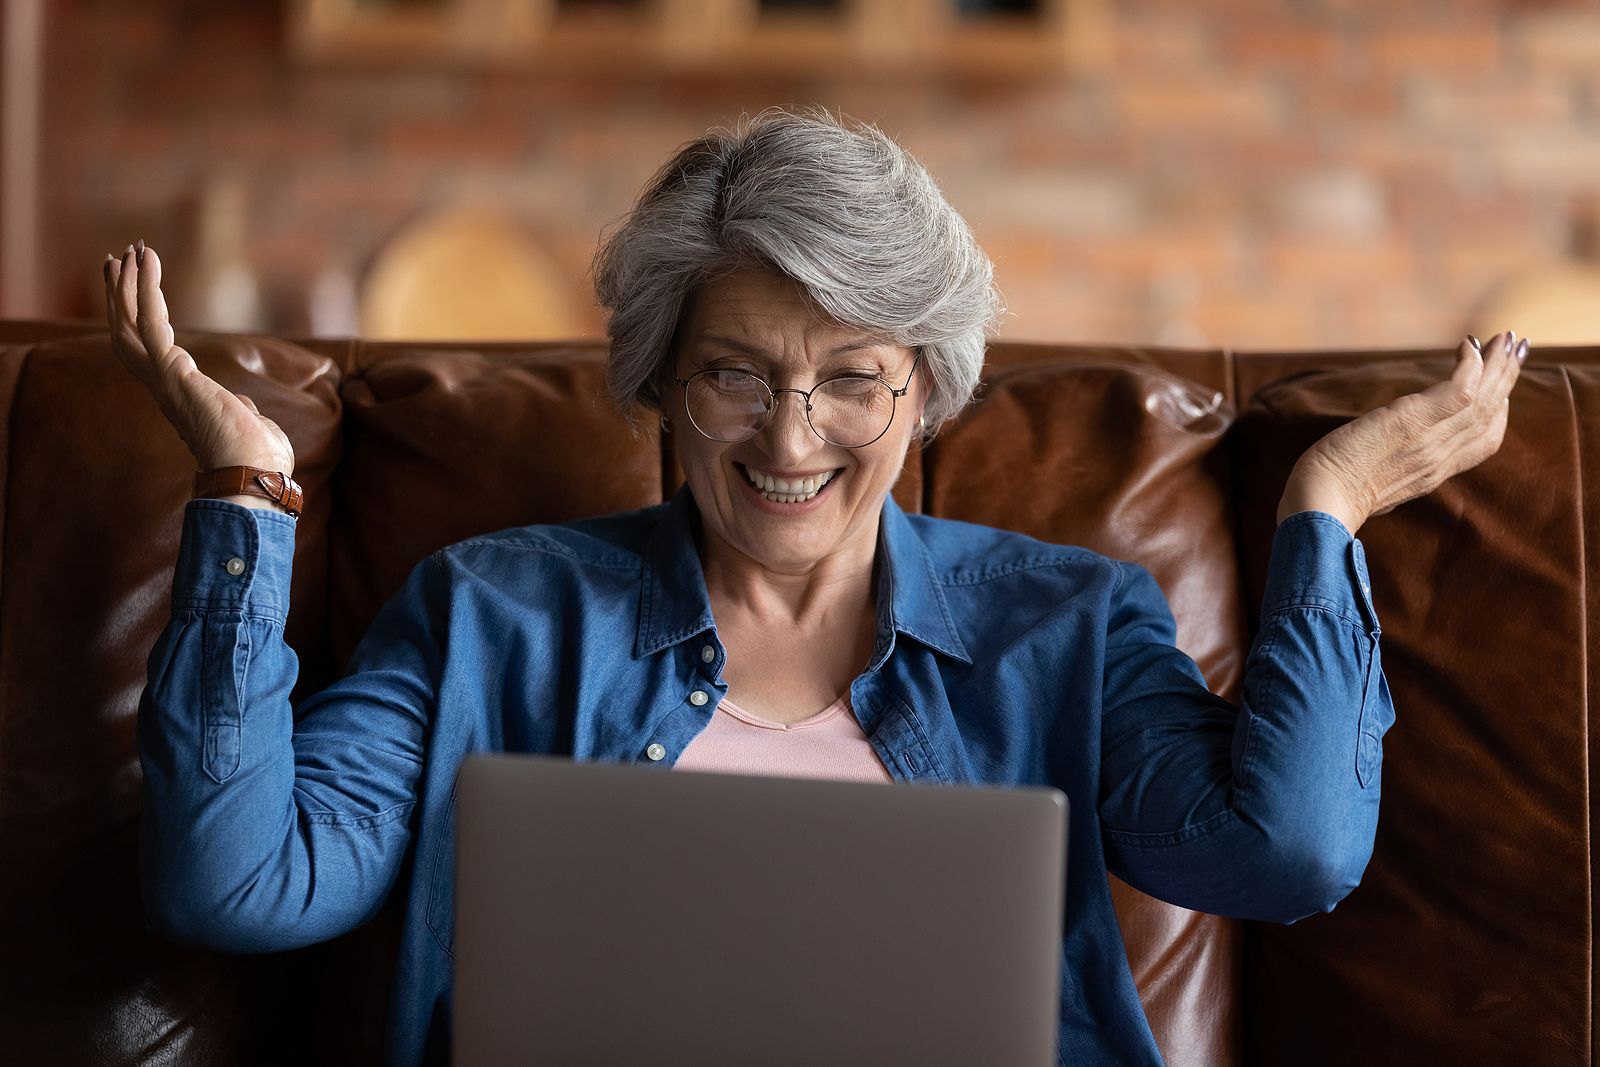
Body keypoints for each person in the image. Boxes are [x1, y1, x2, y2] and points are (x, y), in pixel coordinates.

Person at [104, 107, 1527, 1066]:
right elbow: (236, 883)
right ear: (661, 385)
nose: (791, 441)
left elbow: (1287, 854)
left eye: (853, 379)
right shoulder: (487, 614)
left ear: (927, 395)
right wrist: (245, 496)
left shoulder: (1068, 628)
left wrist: (1326, 507)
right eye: (735, 374)